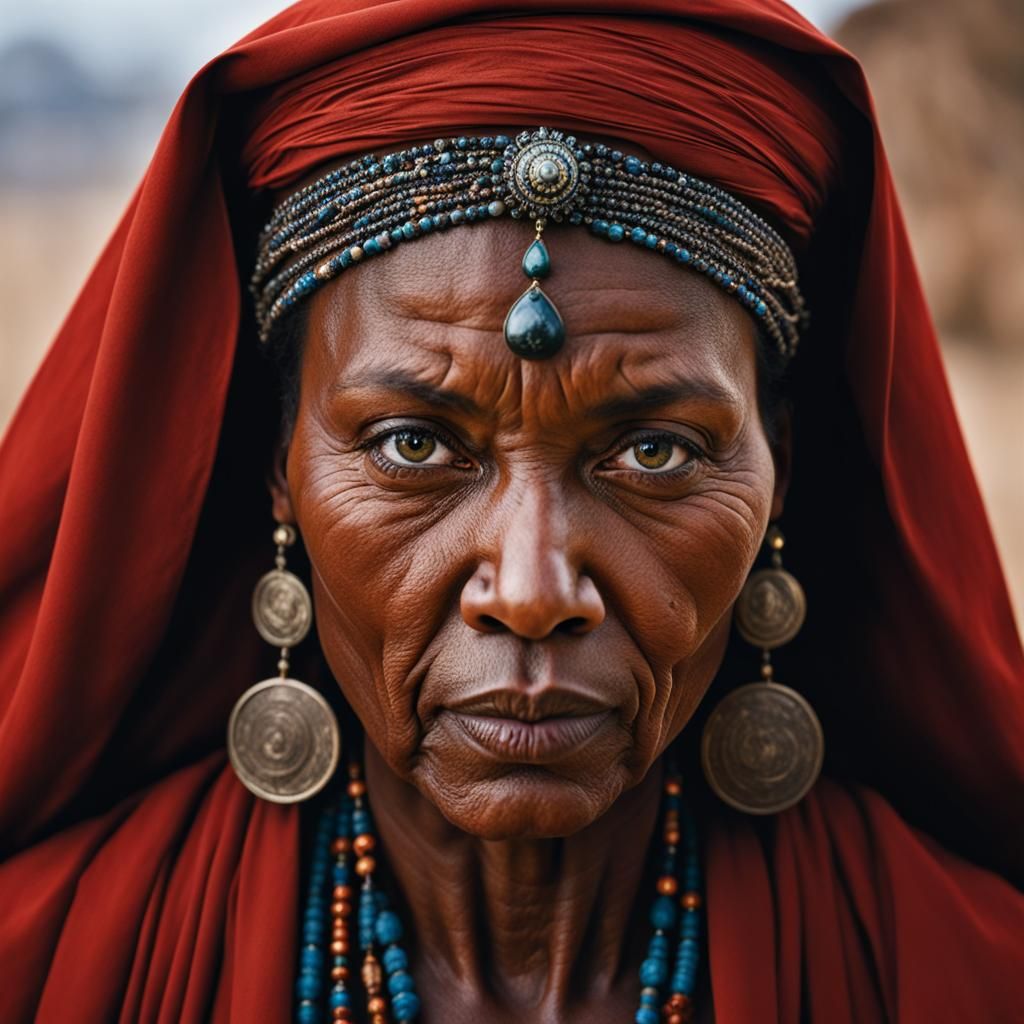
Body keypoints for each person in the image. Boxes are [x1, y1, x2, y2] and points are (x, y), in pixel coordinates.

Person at [0, 1, 1022, 1022]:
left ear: (779, 473)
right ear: (279, 470)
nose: (530, 593)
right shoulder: (50, 965)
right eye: (414, 445)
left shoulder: (963, 972)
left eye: (652, 452)